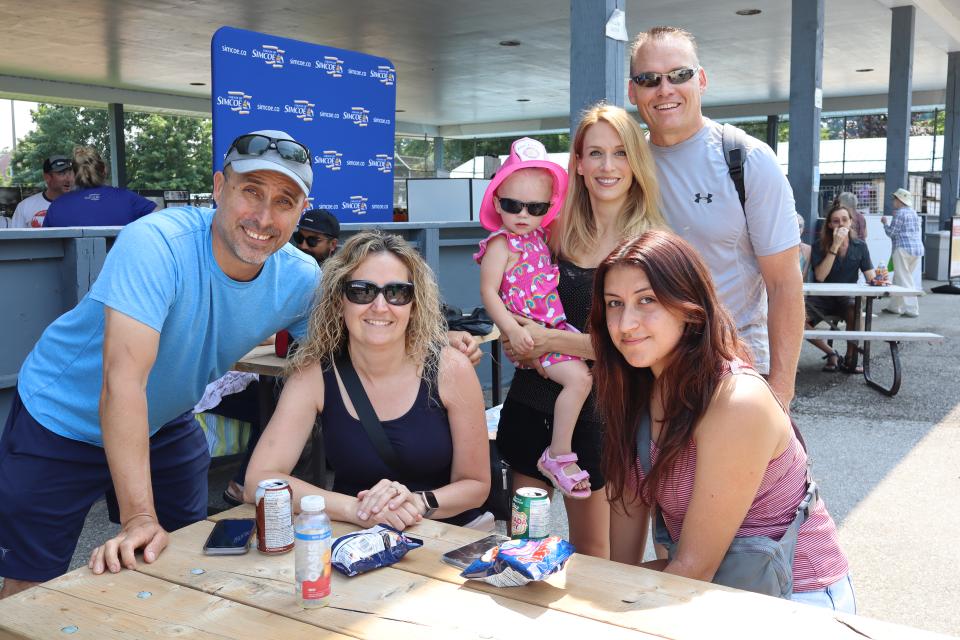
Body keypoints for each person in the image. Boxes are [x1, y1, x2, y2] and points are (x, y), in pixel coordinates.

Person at [0, 129, 320, 599]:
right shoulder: (156, 242)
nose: (264, 216)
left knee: (188, 558)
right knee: (31, 584)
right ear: (218, 188)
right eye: (250, 191)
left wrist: (444, 346)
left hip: (163, 422)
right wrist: (138, 518)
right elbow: (122, 383)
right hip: (61, 419)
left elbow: (346, 356)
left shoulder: (301, 277)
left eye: (285, 201)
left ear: (300, 213)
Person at [593, 230, 854, 612]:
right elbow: (623, 563)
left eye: (646, 300)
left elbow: (695, 568)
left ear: (689, 306)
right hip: (715, 588)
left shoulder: (736, 400)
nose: (625, 323)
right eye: (614, 303)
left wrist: (607, 609)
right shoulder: (635, 390)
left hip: (796, 599)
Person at [496, 103, 665, 558]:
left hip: (601, 421)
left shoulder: (651, 245)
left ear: (636, 162)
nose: (607, 166)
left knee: (592, 557)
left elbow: (643, 344)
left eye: (619, 153)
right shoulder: (552, 231)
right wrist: (516, 337)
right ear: (578, 162)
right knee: (520, 545)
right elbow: (510, 296)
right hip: (531, 403)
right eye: (595, 153)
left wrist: (550, 340)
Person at [245, 230, 491, 530]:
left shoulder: (451, 369)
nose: (380, 306)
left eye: (397, 292)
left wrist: (416, 502)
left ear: (414, 305)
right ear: (338, 302)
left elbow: (476, 485)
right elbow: (258, 480)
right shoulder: (314, 374)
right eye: (361, 291)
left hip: (443, 538)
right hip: (353, 541)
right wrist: (356, 508)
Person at [628, 26, 804, 409]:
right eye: (648, 79)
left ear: (701, 80)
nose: (665, 89)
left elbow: (785, 284)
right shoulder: (625, 167)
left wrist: (781, 392)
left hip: (732, 368)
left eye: (679, 75)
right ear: (633, 91)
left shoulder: (747, 160)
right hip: (646, 376)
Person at [475, 137, 593, 499]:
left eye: (536, 207)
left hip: (553, 329)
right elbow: (489, 292)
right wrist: (511, 328)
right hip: (531, 334)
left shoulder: (542, 237)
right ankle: (558, 454)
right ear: (497, 202)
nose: (524, 215)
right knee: (579, 380)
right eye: (513, 205)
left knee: (584, 376)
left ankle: (559, 451)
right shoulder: (500, 244)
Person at [805, 205, 876, 373]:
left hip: (847, 297)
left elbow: (870, 276)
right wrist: (835, 246)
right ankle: (831, 353)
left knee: (855, 310)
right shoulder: (818, 246)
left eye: (844, 220)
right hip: (821, 298)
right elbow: (821, 276)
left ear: (851, 222)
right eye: (835, 221)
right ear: (829, 225)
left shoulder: (859, 246)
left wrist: (878, 279)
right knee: (796, 317)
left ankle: (850, 359)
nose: (841, 224)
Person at [42, 146, 156, 227]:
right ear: (104, 170)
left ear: (74, 174)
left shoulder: (57, 206)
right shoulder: (129, 199)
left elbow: (46, 249)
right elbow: (164, 220)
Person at [881, 188, 924, 318]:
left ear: (900, 200)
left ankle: (912, 309)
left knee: (904, 279)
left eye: (894, 198)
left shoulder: (899, 213)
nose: (893, 201)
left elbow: (891, 233)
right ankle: (894, 307)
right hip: (917, 249)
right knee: (900, 278)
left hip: (902, 249)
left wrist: (885, 224)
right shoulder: (913, 212)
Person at [10, 155, 75, 228]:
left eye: (71, 173)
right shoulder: (25, 206)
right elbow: (16, 238)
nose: (69, 179)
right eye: (62, 173)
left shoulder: (80, 204)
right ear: (47, 177)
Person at [797, 214, 812, 282]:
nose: (797, 229)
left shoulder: (808, 249)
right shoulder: (778, 249)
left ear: (803, 229)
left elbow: (803, 277)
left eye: (800, 226)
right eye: (794, 225)